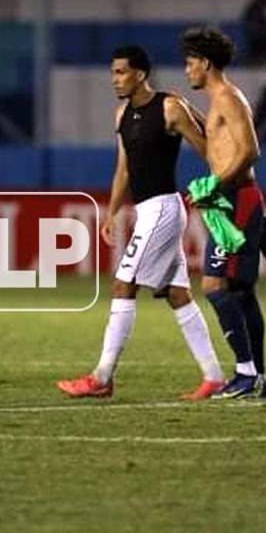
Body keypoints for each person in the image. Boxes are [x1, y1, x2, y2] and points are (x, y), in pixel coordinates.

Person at [56, 45, 225, 400]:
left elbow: (208, 148)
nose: (114, 79)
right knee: (178, 295)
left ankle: (102, 377)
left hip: (164, 208)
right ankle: (214, 377)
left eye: (120, 72)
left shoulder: (169, 107)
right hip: (146, 210)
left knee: (123, 285)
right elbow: (124, 169)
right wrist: (112, 211)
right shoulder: (121, 115)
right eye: (113, 72)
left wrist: (217, 185)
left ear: (140, 74)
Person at [181, 26, 266, 399]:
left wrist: (216, 185)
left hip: (238, 199)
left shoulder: (229, 98)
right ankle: (257, 378)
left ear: (205, 62)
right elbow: (219, 152)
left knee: (215, 285)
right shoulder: (217, 102)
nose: (187, 71)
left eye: (189, 64)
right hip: (230, 199)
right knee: (242, 291)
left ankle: (246, 373)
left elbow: (250, 151)